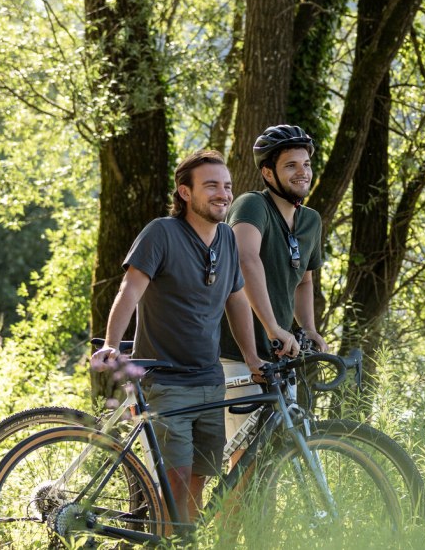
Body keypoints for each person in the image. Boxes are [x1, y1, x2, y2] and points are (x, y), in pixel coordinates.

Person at [91, 149, 264, 525]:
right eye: (212, 186)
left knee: (198, 483)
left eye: (228, 186)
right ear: (186, 193)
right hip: (165, 381)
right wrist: (109, 341)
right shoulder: (162, 233)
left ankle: (178, 541)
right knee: (177, 483)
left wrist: (252, 357)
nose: (223, 194)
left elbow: (237, 301)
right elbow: (130, 289)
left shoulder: (228, 240)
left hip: (209, 379)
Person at [220, 125, 329, 440]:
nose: (302, 172)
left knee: (279, 453)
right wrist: (271, 327)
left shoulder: (311, 220)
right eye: (291, 166)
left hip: (280, 358)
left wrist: (306, 327)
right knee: (245, 460)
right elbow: (245, 258)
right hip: (237, 353)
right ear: (268, 174)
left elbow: (304, 281)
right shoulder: (253, 205)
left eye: (306, 164)